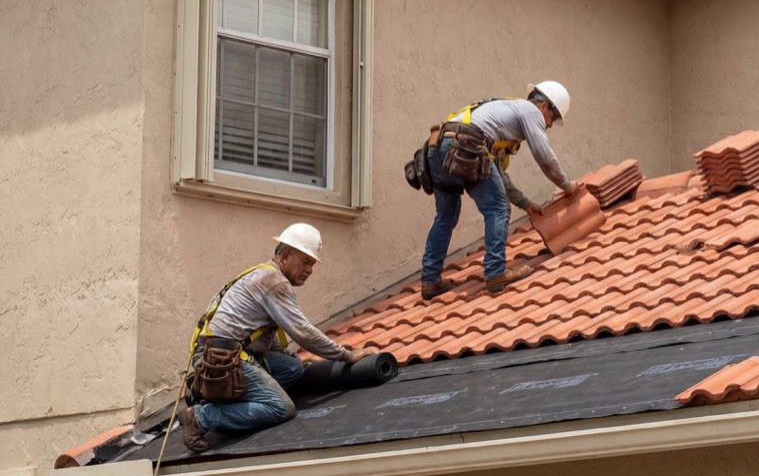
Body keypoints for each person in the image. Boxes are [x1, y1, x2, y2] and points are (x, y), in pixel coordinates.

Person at [182, 223, 377, 452]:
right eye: (305, 262)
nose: (310, 270)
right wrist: (347, 355)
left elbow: (266, 337)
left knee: (293, 367)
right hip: (223, 359)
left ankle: (227, 400)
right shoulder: (274, 282)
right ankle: (202, 417)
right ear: (285, 256)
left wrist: (295, 358)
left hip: (223, 354)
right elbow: (303, 332)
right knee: (281, 408)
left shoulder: (263, 274)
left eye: (312, 264)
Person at [421, 81, 582, 300]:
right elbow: (544, 157)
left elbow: (494, 171)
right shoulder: (529, 111)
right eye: (552, 119)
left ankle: (431, 280)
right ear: (544, 106)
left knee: (446, 216)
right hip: (464, 146)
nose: (549, 126)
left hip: (438, 149)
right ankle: (496, 272)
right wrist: (568, 186)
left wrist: (524, 203)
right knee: (497, 208)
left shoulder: (500, 117)